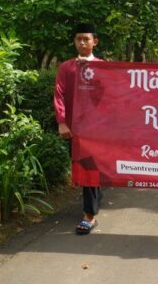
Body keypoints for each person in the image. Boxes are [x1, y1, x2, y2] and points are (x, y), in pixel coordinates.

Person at [54, 23, 104, 235]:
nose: (82, 42)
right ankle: (93, 202)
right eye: (78, 39)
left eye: (86, 38)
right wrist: (62, 121)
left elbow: (111, 95)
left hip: (96, 128)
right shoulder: (67, 67)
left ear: (95, 41)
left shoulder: (104, 67)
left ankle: (89, 216)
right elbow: (59, 94)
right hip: (74, 128)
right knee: (87, 168)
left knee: (90, 169)